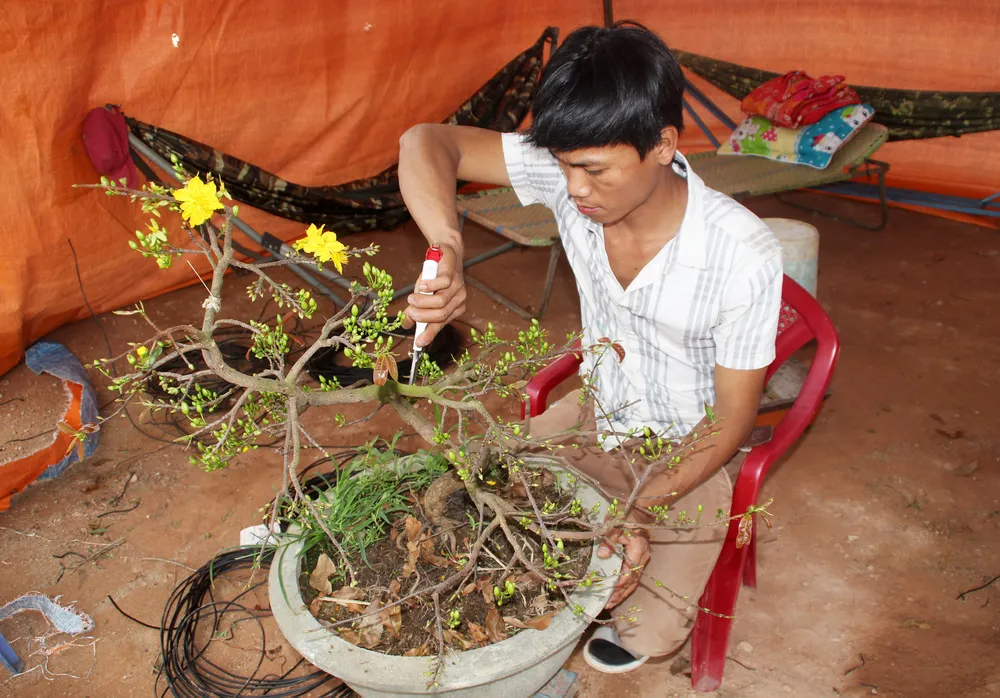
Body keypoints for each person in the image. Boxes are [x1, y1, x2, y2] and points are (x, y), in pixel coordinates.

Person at [397, 21, 782, 673]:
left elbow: (730, 420)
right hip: (595, 417)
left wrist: (635, 507)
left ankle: (637, 569)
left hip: (685, 454)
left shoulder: (742, 257)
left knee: (631, 629)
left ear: (662, 145)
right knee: (460, 510)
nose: (573, 190)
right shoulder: (571, 176)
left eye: (594, 170)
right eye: (563, 166)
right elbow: (426, 142)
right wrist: (449, 243)